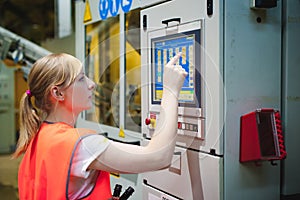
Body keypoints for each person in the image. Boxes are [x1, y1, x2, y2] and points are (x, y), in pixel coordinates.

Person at [13, 52, 187, 200]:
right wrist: (170, 91)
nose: (92, 84)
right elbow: (159, 157)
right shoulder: (80, 145)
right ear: (57, 93)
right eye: (81, 79)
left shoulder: (39, 135)